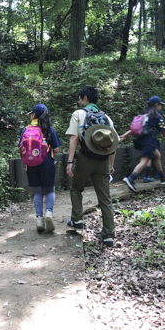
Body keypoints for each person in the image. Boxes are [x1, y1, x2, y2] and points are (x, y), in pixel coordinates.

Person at [65, 86, 119, 248]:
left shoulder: (78, 114)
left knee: (76, 189)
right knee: (105, 199)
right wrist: (111, 165)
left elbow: (74, 138)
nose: (78, 101)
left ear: (85, 98)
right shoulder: (107, 118)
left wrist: (69, 162)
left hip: (85, 159)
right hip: (103, 161)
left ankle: (77, 220)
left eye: (80, 98)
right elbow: (113, 144)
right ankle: (108, 235)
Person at [19, 104, 62, 232]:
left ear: (33, 115)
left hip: (31, 165)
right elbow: (56, 149)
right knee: (49, 190)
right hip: (47, 163)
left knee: (38, 192)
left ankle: (39, 218)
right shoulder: (49, 129)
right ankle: (49, 213)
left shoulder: (26, 130)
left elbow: (20, 148)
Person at [122, 96, 165, 192]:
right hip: (149, 141)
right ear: (156, 105)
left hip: (140, 140)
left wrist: (124, 135)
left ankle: (162, 177)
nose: (161, 107)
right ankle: (131, 178)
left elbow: (134, 128)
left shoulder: (145, 115)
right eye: (160, 105)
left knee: (157, 155)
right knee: (144, 160)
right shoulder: (156, 116)